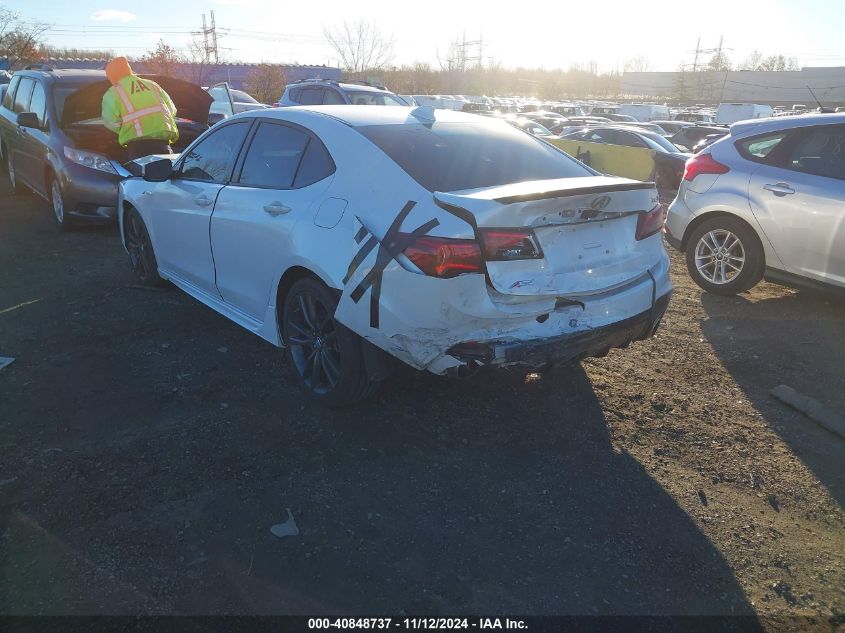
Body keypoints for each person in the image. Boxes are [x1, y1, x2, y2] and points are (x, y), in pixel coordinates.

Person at [101, 57, 179, 160]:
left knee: (140, 175)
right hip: (163, 144)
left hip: (138, 148)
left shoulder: (113, 93)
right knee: (165, 174)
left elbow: (111, 122)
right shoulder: (152, 85)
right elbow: (171, 110)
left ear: (112, 76)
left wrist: (125, 129)